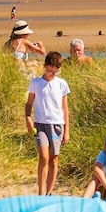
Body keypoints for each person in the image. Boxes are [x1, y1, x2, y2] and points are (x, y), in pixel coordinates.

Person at [24, 52, 72, 196]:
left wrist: (66, 130)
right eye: (50, 70)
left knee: (53, 158)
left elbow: (65, 108)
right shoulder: (36, 83)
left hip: (57, 125)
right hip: (40, 124)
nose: (52, 74)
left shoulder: (62, 84)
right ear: (44, 67)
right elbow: (29, 103)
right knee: (44, 157)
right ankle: (41, 191)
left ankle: (49, 192)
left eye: (56, 71)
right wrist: (27, 118)